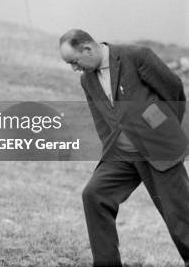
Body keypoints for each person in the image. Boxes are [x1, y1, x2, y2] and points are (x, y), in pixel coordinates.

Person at [59, 29, 189, 267]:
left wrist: (164, 129)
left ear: (87, 49)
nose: (74, 69)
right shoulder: (86, 80)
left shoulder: (136, 56)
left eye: (74, 62)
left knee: (180, 214)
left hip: (159, 148)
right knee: (95, 194)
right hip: (121, 153)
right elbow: (100, 119)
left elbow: (174, 90)